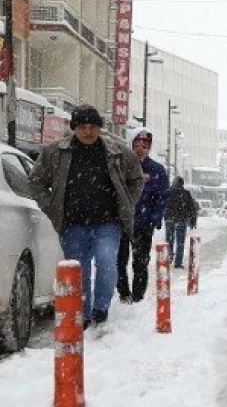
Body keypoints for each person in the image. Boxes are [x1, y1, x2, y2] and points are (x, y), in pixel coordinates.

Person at [28, 105, 144, 328]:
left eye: (93, 127)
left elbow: (136, 178)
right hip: (72, 224)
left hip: (108, 223)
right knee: (79, 270)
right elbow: (36, 181)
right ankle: (85, 313)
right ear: (74, 128)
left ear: (100, 128)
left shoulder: (117, 152)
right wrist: (51, 206)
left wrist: (126, 202)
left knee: (107, 262)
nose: (88, 132)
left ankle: (101, 308)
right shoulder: (55, 152)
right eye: (82, 127)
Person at [117, 127, 169, 302]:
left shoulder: (157, 170)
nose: (140, 149)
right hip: (121, 222)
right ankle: (123, 292)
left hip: (143, 223)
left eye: (145, 146)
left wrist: (154, 219)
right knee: (118, 261)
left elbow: (162, 197)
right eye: (137, 145)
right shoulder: (119, 167)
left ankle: (138, 296)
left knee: (140, 263)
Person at [164, 176, 199, 268]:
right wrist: (193, 221)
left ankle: (169, 257)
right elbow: (192, 208)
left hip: (169, 220)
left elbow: (162, 205)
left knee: (169, 240)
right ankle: (178, 263)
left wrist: (160, 217)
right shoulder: (186, 194)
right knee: (180, 242)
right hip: (181, 220)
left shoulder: (168, 193)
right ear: (182, 184)